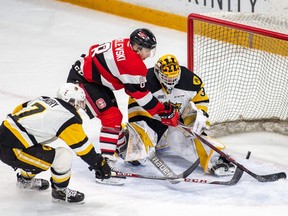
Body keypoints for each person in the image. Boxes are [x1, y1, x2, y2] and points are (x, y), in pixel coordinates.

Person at [66, 28, 173, 185]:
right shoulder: (133, 64)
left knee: (115, 117)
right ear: (137, 48)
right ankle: (104, 168)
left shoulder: (126, 44)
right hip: (82, 81)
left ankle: (124, 151)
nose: (149, 55)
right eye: (147, 50)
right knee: (112, 117)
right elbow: (141, 96)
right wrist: (163, 112)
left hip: (94, 79)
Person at [118, 54, 236, 176]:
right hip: (151, 120)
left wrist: (200, 113)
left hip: (177, 120)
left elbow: (201, 99)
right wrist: (138, 130)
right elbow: (134, 107)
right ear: (158, 73)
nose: (172, 81)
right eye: (168, 78)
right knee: (137, 159)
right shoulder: (145, 81)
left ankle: (218, 160)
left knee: (189, 134)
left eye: (174, 78)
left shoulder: (189, 79)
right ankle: (125, 136)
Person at [0, 83, 111, 204]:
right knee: (62, 156)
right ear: (72, 101)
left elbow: (18, 110)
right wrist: (99, 164)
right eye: (78, 103)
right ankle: (60, 192)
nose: (79, 107)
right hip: (11, 149)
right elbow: (83, 149)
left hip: (5, 134)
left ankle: (25, 180)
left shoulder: (44, 99)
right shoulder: (68, 116)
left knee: (39, 151)